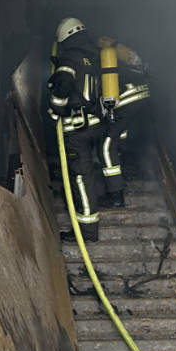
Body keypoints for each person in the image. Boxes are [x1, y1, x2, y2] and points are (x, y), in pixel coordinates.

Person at [47, 17, 105, 241]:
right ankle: (89, 222)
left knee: (81, 176)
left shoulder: (69, 57)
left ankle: (87, 231)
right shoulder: (93, 57)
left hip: (77, 127)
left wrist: (54, 111)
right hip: (95, 123)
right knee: (88, 171)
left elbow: (63, 85)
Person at [96, 36, 152, 208]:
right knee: (121, 133)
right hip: (140, 92)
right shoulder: (114, 49)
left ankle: (115, 196)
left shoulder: (100, 51)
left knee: (106, 145)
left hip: (127, 96)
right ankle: (126, 170)